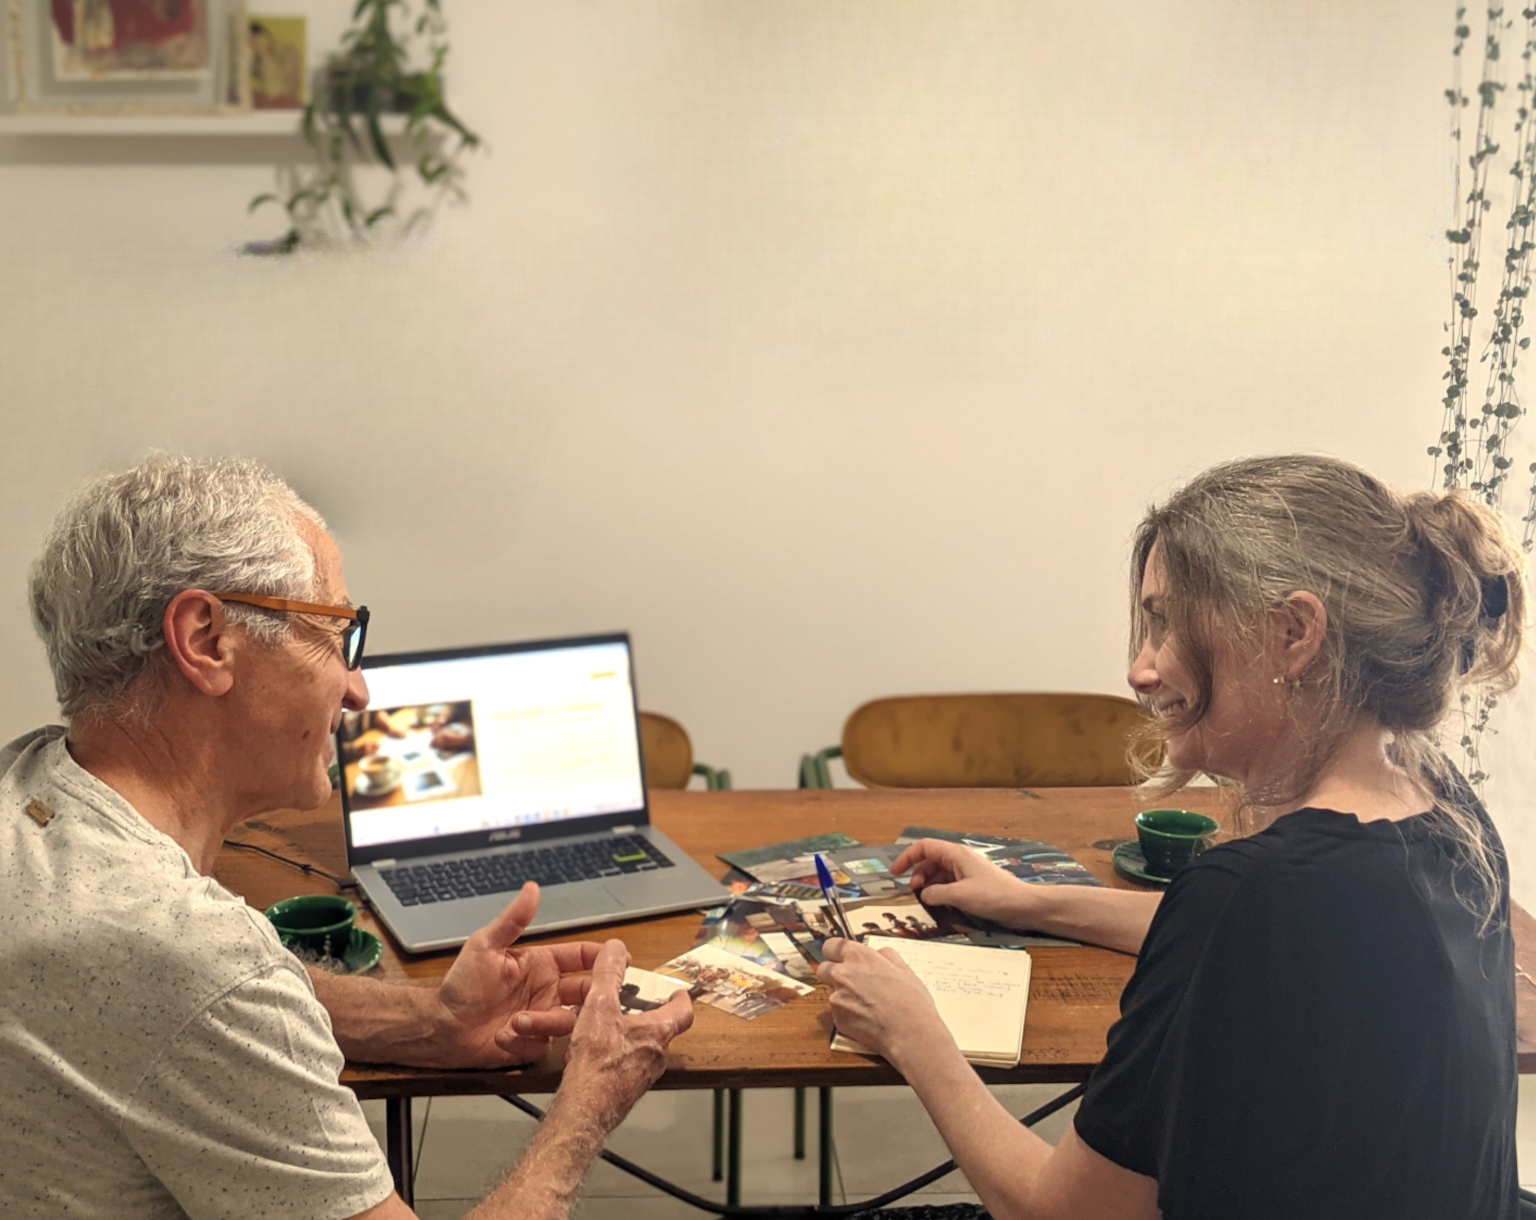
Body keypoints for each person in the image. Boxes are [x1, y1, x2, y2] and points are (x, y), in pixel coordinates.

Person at [817, 454, 1526, 1220]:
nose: (1140, 670)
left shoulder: (1250, 893)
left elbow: (1059, 1213)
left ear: (1294, 633)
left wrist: (913, 1033)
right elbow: (1271, 944)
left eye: (1166, 626)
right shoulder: (1442, 809)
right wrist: (1028, 901)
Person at [1, 455, 693, 1220]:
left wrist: (431, 1022)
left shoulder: (27, 789)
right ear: (205, 640)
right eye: (336, 632)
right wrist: (589, 1099)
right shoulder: (194, 960)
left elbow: (160, 1002)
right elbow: (205, 990)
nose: (358, 689)